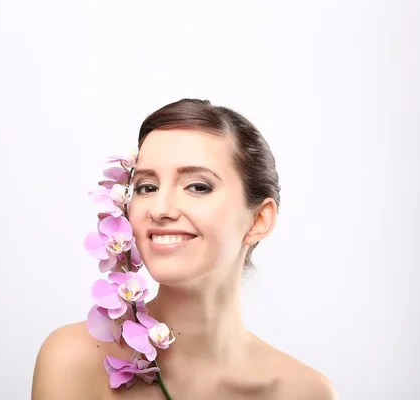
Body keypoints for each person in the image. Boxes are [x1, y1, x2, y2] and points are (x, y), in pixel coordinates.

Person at [31, 99, 337, 399]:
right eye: (147, 187)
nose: (160, 209)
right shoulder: (73, 362)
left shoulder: (305, 392)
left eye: (198, 186)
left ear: (259, 219)